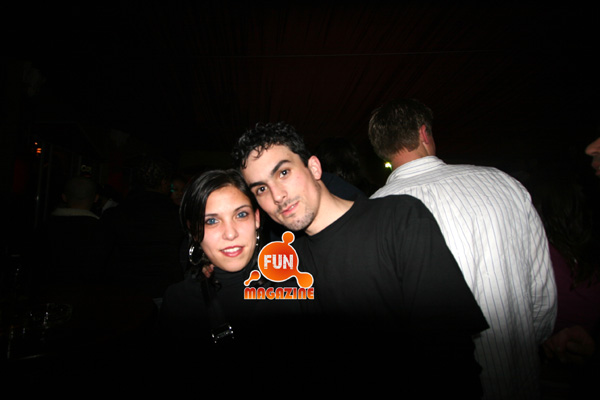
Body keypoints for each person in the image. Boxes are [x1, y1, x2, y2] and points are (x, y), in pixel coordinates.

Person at [231, 122, 489, 396]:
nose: (277, 196)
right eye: (261, 189)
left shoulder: (398, 218)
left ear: (314, 168)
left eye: (283, 172)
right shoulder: (288, 265)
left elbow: (452, 356)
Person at [366, 98, 557, 400]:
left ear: (380, 148)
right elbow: (541, 289)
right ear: (424, 133)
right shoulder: (503, 184)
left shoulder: (371, 213)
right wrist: (526, 343)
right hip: (517, 374)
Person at [158, 169, 303, 384]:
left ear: (256, 218)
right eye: (211, 221)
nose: (230, 233)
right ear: (194, 231)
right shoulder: (179, 300)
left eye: (241, 215)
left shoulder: (296, 289)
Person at [102, 155, 184, 305]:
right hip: (163, 289)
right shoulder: (177, 216)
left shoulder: (115, 214)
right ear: (164, 183)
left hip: (123, 290)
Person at [29, 175, 109, 287]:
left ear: (64, 197)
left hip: (47, 292)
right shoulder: (103, 231)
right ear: (96, 198)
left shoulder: (44, 227)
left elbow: (34, 266)